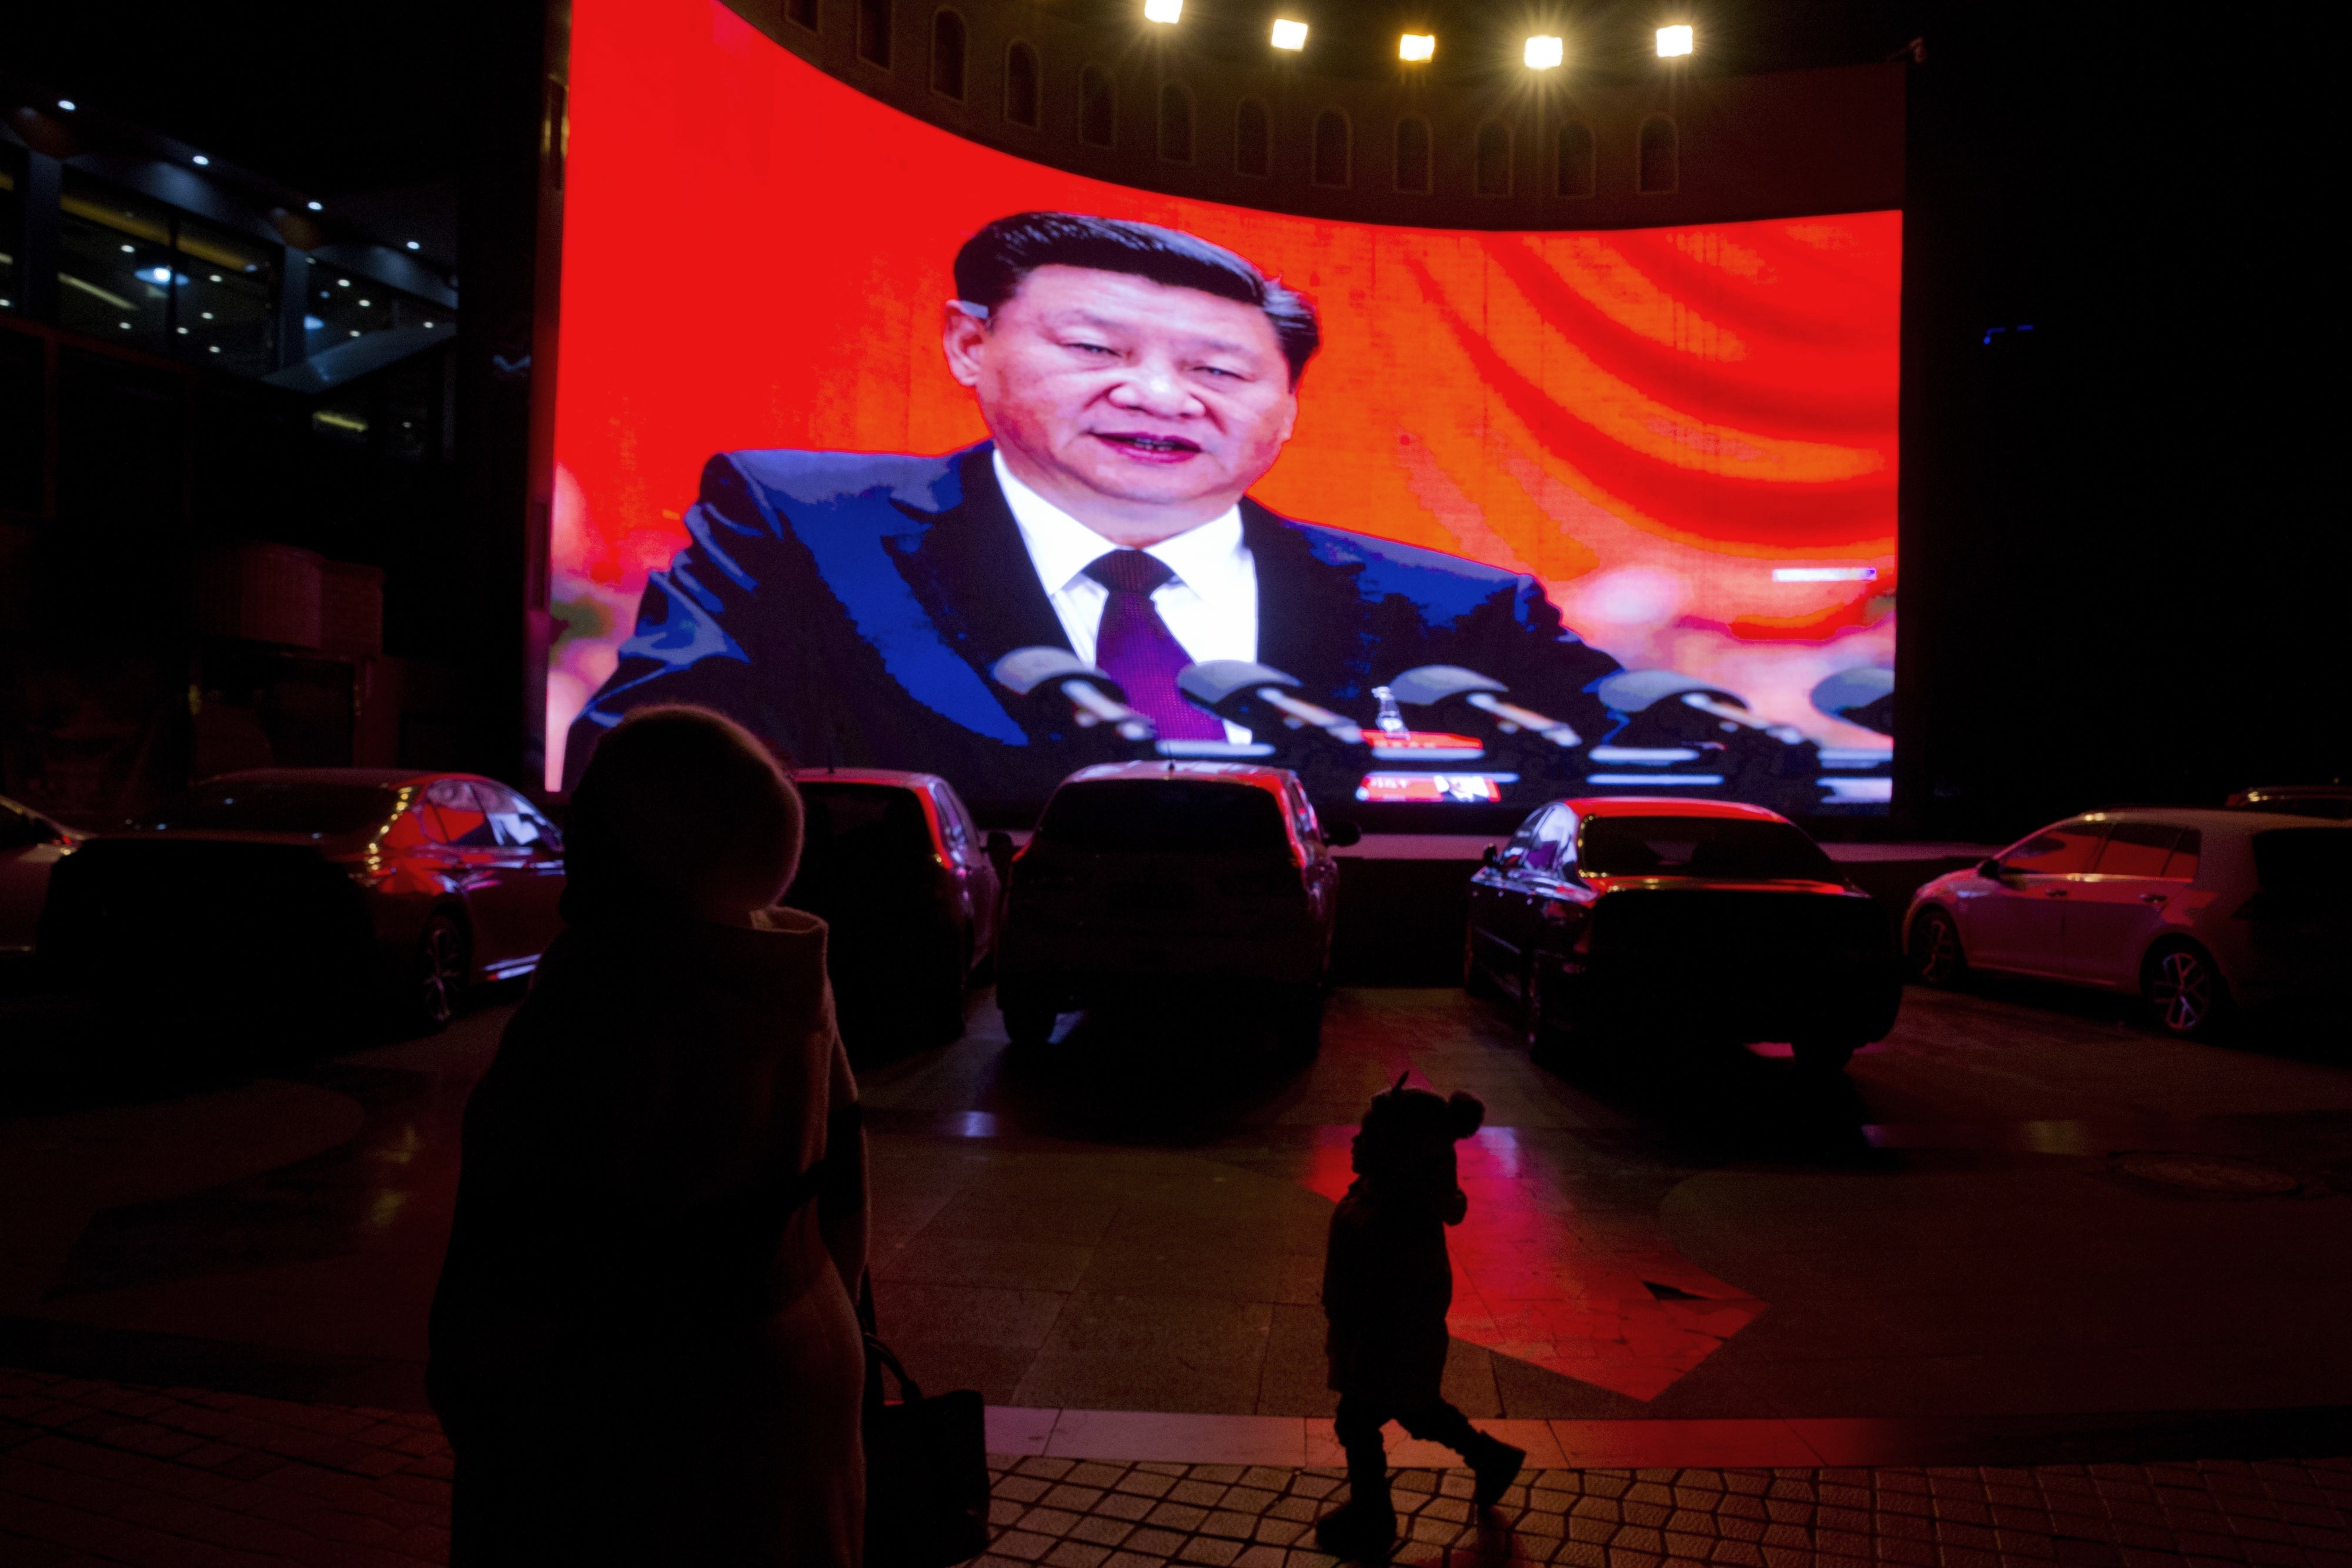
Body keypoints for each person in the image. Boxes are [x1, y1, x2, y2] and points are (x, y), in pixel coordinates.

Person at [563, 210, 1623, 802]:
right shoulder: (800, 525)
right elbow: (656, 766)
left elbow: (1659, 774)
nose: (1161, 397)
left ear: (1288, 411)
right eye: (1095, 350)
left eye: (1218, 368)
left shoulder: (1453, 607)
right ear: (968, 345)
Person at [428, 706, 868, 1566]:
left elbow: (513, 1283)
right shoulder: (786, 968)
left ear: (644, 835)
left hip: (642, 1438)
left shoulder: (600, 1003)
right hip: (802, 1388)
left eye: (595, 801)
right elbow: (843, 1209)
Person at [1317, 1073, 1525, 1560]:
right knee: (1419, 1409)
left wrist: (1366, 1340)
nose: (1354, 1139)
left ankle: (1374, 1516)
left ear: (1396, 1151)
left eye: (1367, 1135)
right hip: (1378, 1340)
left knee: (1358, 1421)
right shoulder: (1377, 1194)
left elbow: (1395, 1294)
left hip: (1390, 1341)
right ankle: (1490, 1458)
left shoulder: (1402, 1216)